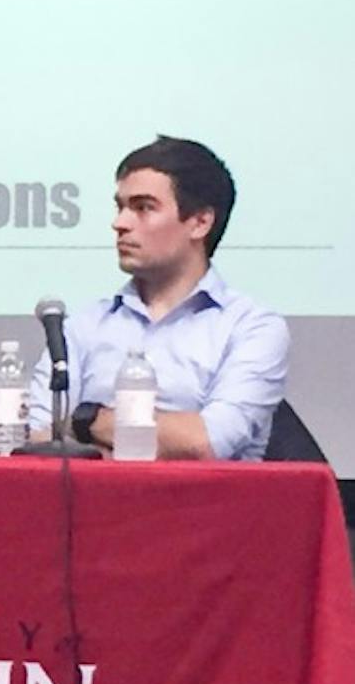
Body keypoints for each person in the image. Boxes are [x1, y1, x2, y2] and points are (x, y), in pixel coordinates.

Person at [26, 136, 288, 460]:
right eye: (120, 206)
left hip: (208, 507)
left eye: (143, 208)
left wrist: (87, 420)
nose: (119, 223)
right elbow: (40, 440)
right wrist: (162, 438)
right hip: (93, 505)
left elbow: (207, 442)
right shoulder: (83, 325)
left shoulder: (251, 327)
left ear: (199, 222)